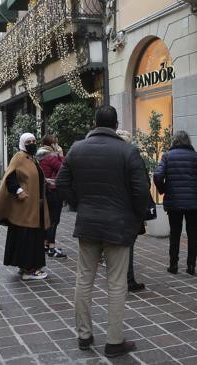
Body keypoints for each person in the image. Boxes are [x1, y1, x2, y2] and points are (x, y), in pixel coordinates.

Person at [56, 105, 150, 358]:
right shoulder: (128, 151)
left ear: (94, 122)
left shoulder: (77, 148)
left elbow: (62, 183)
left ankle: (84, 335)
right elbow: (141, 191)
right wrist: (137, 216)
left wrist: (79, 203)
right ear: (115, 124)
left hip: (88, 223)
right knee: (117, 282)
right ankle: (114, 340)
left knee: (83, 279)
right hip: (119, 225)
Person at [153, 131, 197, 276]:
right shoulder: (196, 157)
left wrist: (163, 190)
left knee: (175, 234)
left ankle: (173, 265)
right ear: (188, 142)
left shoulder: (167, 157)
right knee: (193, 234)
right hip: (194, 203)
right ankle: (191, 266)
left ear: (174, 141)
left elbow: (157, 175)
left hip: (174, 202)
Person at [0, 132, 51, 281]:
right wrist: (18, 191)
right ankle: (30, 269)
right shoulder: (19, 157)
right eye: (28, 141)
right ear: (22, 143)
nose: (32, 143)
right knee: (27, 238)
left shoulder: (32, 158)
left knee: (32, 237)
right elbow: (10, 177)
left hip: (35, 207)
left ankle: (26, 266)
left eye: (34, 141)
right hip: (26, 208)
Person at [116, 129, 146, 292]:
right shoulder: (133, 156)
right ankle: (128, 279)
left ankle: (119, 278)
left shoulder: (110, 157)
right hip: (128, 209)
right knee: (128, 245)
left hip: (112, 208)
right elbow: (142, 186)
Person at [37, 134, 66, 258]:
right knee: (54, 219)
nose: (57, 145)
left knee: (48, 218)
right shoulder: (51, 156)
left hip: (45, 189)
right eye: (56, 143)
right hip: (53, 189)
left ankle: (45, 244)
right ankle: (52, 247)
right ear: (52, 144)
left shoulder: (40, 154)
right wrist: (61, 155)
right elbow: (63, 168)